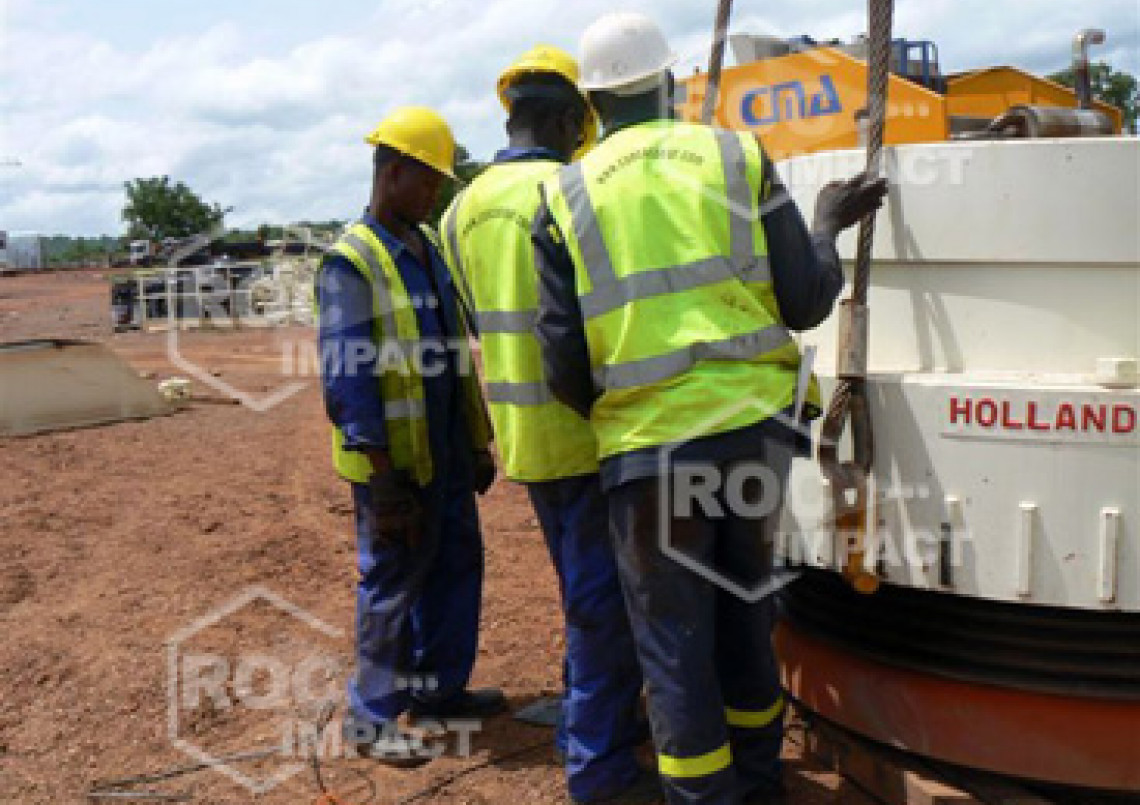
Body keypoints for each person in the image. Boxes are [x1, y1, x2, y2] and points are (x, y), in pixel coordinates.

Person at [532, 13, 889, 805]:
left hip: (651, 457)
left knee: (674, 648)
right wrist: (826, 225)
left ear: (590, 104)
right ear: (669, 83)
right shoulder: (734, 154)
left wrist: (628, 407)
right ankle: (761, 784)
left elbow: (560, 366)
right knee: (743, 616)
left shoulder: (564, 196)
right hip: (753, 445)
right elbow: (804, 300)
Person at [440, 47, 657, 805]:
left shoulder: (459, 209)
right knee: (604, 607)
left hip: (526, 437)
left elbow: (475, 316)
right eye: (580, 127)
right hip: (592, 432)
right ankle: (599, 769)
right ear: (570, 120)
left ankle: (588, 721)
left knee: (582, 593)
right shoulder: (572, 188)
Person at [316, 106, 506, 765]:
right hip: (393, 465)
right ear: (391, 174)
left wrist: (477, 444)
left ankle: (437, 692)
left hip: (447, 452)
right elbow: (349, 375)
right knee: (393, 583)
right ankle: (370, 717)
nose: (434, 195)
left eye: (439, 184)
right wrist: (384, 477)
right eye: (426, 182)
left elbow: (455, 359)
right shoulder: (353, 262)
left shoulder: (430, 254)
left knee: (457, 569)